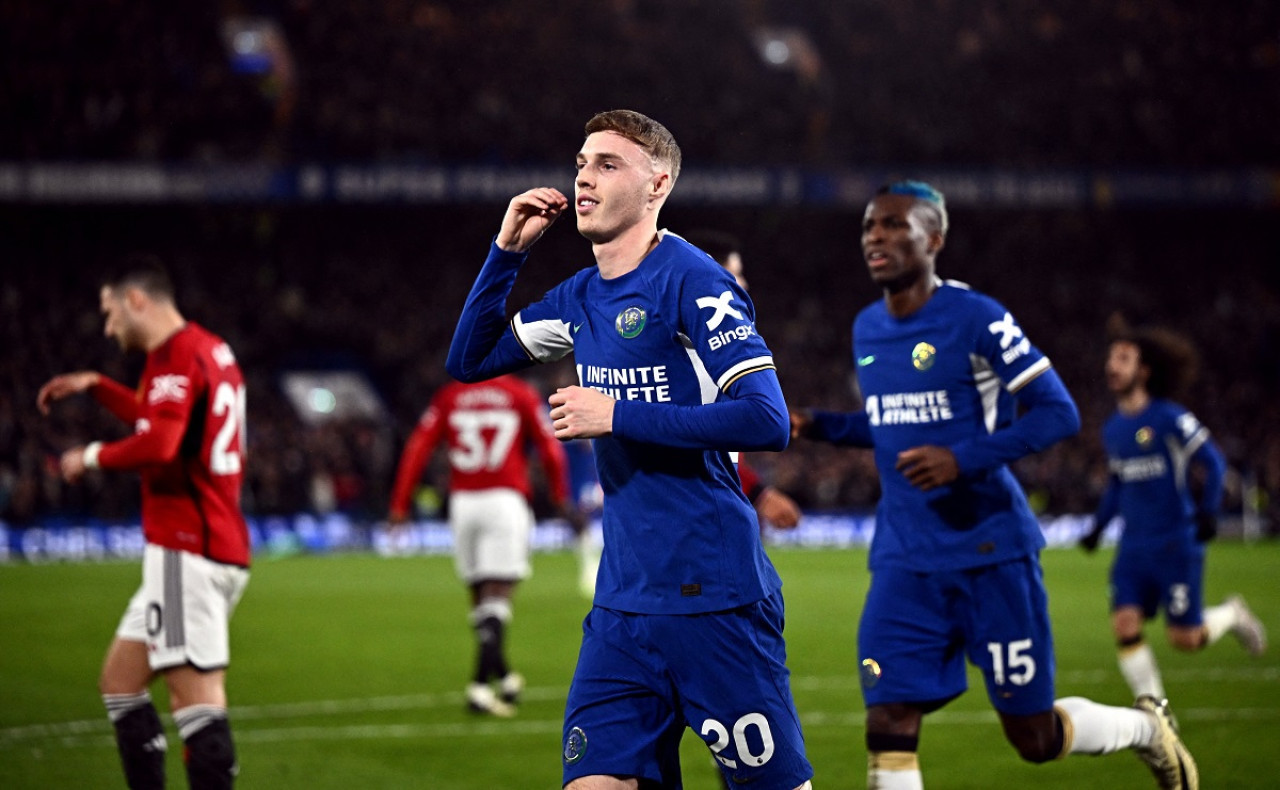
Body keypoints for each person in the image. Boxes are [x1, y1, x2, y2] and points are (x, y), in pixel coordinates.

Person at [446, 109, 814, 790]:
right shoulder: (578, 296)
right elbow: (468, 361)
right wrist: (507, 253)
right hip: (622, 609)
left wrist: (618, 412)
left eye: (608, 165)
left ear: (657, 184)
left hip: (716, 597)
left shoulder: (695, 281)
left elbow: (767, 420)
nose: (585, 178)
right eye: (582, 164)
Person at [790, 181, 1198, 790]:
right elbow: (890, 425)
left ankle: (1148, 732)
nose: (876, 236)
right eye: (870, 226)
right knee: (889, 718)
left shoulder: (977, 317)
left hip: (989, 554)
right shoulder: (866, 328)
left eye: (895, 225)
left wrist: (963, 459)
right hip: (906, 557)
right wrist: (818, 425)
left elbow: (1057, 412)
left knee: (1033, 737)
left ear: (936, 239)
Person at [37, 255, 250, 790]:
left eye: (110, 314)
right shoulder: (208, 348)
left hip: (187, 550)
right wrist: (97, 386)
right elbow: (160, 417)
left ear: (137, 301)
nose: (108, 328)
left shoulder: (172, 356)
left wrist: (88, 456)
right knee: (121, 682)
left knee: (196, 703)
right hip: (207, 543)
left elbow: (161, 441)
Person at [1078, 323, 1266, 701]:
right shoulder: (1113, 428)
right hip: (1133, 548)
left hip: (1175, 544)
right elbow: (1118, 483)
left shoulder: (1170, 418)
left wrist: (1208, 512)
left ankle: (1232, 614)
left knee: (1185, 639)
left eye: (1124, 359)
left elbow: (1213, 462)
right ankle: (1157, 714)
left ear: (1144, 371)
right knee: (1124, 623)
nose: (1112, 366)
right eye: (1112, 357)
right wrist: (1098, 527)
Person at [388, 373, 575, 717]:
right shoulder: (520, 393)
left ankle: (504, 676)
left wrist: (400, 504)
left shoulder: (450, 396)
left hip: (464, 504)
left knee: (479, 596)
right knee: (498, 594)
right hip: (505, 499)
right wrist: (560, 496)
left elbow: (418, 446)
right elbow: (550, 447)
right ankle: (477, 686)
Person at [683, 229, 803, 530]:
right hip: (696, 521)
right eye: (736, 274)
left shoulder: (711, 351)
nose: (744, 285)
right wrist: (760, 494)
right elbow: (695, 447)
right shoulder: (686, 357)